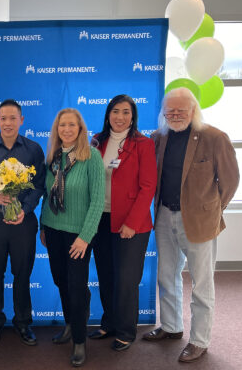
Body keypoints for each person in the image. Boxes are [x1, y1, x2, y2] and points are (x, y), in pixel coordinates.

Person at [143, 87, 239, 363]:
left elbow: (230, 181)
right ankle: (172, 327)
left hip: (199, 220)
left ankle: (199, 341)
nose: (174, 115)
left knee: (201, 284)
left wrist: (211, 210)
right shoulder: (159, 138)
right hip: (163, 216)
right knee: (166, 276)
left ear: (193, 110)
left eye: (180, 110)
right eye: (169, 110)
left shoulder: (214, 137)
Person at [87, 95, 157, 351]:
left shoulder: (143, 144)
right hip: (101, 219)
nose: (120, 117)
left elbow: (148, 187)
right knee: (105, 275)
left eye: (126, 112)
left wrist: (132, 222)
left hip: (131, 224)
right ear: (108, 115)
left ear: (132, 116)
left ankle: (126, 331)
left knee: (126, 279)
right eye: (115, 111)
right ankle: (109, 323)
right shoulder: (97, 140)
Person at [0, 100, 45, 346]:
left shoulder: (34, 149)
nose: (8, 123)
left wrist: (24, 209)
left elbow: (38, 185)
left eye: (13, 118)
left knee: (22, 273)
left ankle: (23, 323)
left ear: (21, 120)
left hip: (24, 222)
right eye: (3, 118)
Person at [40, 108, 105, 367]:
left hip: (78, 235)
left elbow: (97, 200)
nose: (66, 129)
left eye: (72, 125)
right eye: (62, 125)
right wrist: (43, 228)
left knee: (77, 287)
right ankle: (69, 324)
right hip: (52, 230)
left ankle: (79, 341)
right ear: (57, 129)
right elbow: (48, 195)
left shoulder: (92, 157)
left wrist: (85, 236)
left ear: (80, 129)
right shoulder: (53, 158)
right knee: (61, 281)